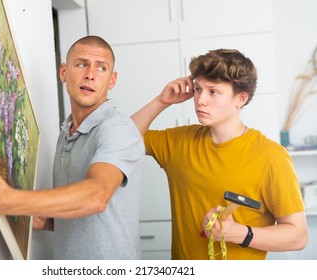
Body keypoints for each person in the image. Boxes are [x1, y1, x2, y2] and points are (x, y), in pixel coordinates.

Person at [0, 35, 145, 260]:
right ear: (63, 72)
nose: (90, 74)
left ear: (112, 80)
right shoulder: (67, 131)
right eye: (81, 64)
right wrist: (49, 220)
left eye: (101, 68)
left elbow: (97, 195)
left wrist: (12, 200)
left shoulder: (117, 129)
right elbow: (90, 213)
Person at [131, 49, 308, 260]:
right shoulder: (178, 142)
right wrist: (162, 101)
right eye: (197, 89)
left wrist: (240, 233)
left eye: (213, 92)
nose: (200, 100)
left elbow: (298, 236)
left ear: (240, 98)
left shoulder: (271, 156)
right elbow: (123, 139)